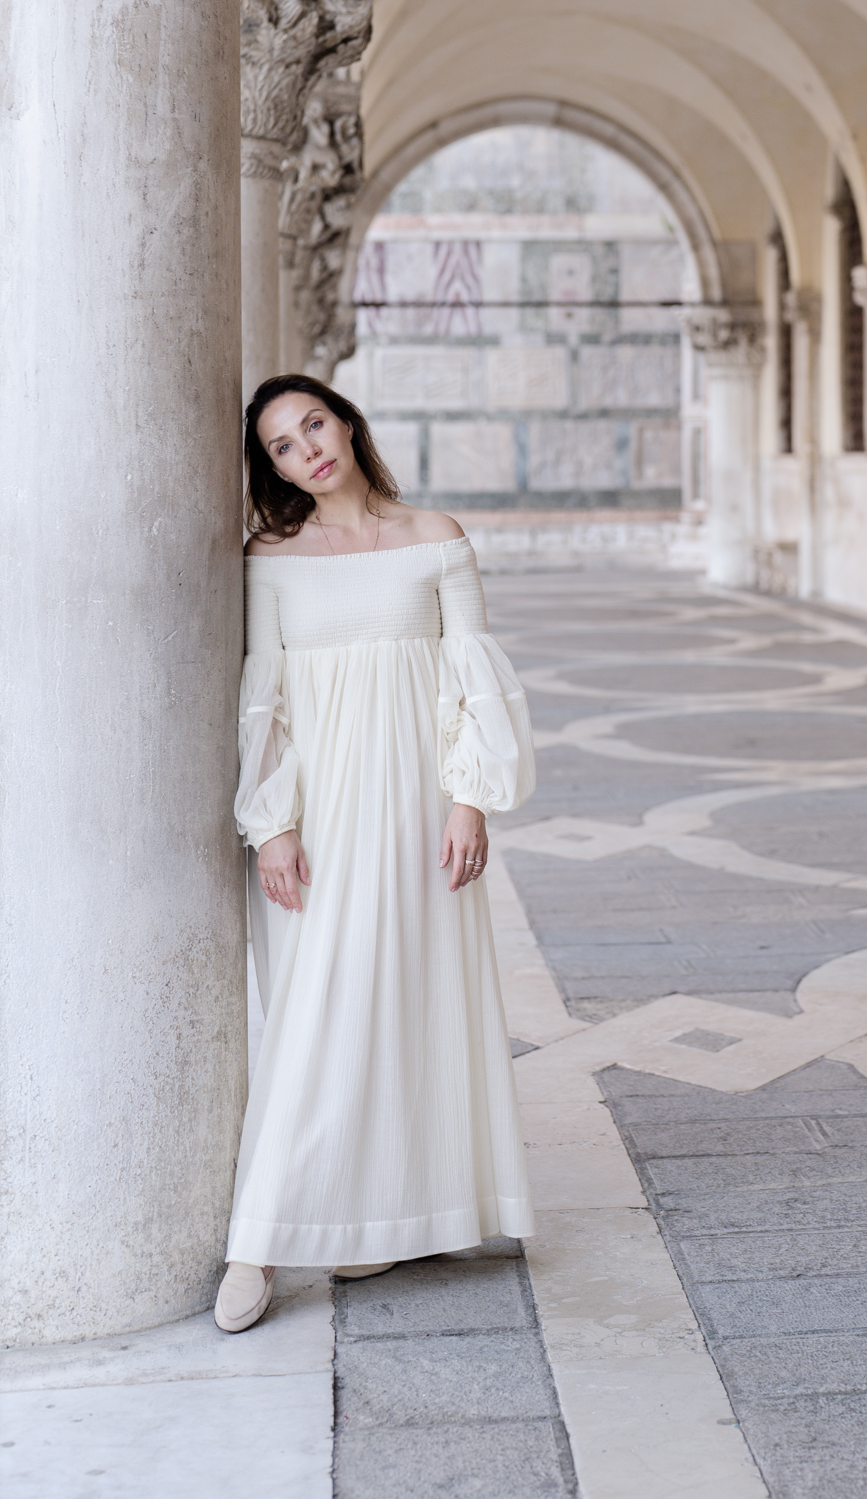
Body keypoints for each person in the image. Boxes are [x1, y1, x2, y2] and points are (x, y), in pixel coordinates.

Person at [214, 374, 535, 1334]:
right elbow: (259, 704)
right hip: (319, 825)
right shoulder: (270, 557)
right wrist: (270, 824)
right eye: (280, 444)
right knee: (315, 1020)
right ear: (271, 467)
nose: (305, 447)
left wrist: (470, 801)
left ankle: (397, 1212)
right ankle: (256, 1244)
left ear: (347, 425)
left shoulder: (435, 538)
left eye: (314, 423)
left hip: (421, 816)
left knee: (415, 1003)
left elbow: (478, 681)